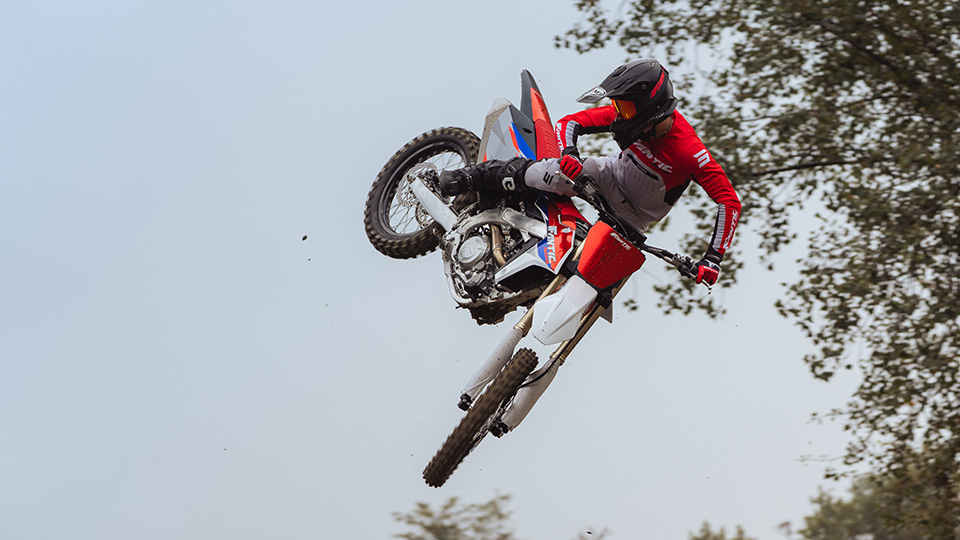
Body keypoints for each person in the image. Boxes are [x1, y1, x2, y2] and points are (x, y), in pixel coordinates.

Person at [439, 59, 741, 286]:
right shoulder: (629, 116)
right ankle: (472, 176)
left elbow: (729, 202)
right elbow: (569, 123)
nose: (619, 114)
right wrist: (569, 154)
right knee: (555, 172)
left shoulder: (690, 151)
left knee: (603, 276)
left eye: (626, 108)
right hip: (607, 176)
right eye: (618, 106)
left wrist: (713, 258)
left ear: (653, 109)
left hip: (634, 218)